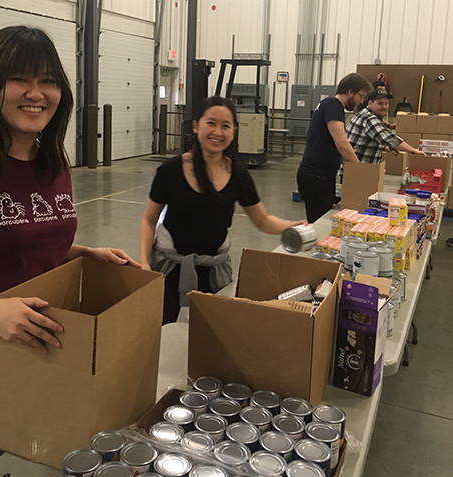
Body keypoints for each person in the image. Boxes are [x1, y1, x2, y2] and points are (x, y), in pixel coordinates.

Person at [0, 26, 140, 477]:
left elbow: (24, 240)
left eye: (49, 81)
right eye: (20, 79)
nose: (37, 93)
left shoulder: (52, 164)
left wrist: (85, 252)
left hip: (40, 350)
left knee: (36, 475)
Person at [139, 96, 307, 324]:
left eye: (225, 125)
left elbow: (263, 220)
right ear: (196, 126)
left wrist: (291, 226)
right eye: (211, 123)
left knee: (210, 332)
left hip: (213, 269)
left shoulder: (238, 174)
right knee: (159, 327)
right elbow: (149, 220)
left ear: (233, 132)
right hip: (168, 268)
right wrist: (144, 263)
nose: (217, 132)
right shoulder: (170, 171)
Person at [296, 73, 373, 223]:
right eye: (361, 96)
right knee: (319, 224)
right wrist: (361, 171)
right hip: (316, 176)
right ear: (350, 92)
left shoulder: (329, 105)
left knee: (318, 222)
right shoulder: (333, 105)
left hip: (318, 175)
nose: (361, 101)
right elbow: (342, 144)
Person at [346, 88, 426, 164]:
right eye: (380, 103)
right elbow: (389, 138)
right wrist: (413, 151)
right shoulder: (369, 119)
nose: (384, 107)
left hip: (356, 168)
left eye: (386, 104)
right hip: (356, 170)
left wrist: (385, 148)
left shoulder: (364, 113)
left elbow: (366, 140)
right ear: (370, 103)